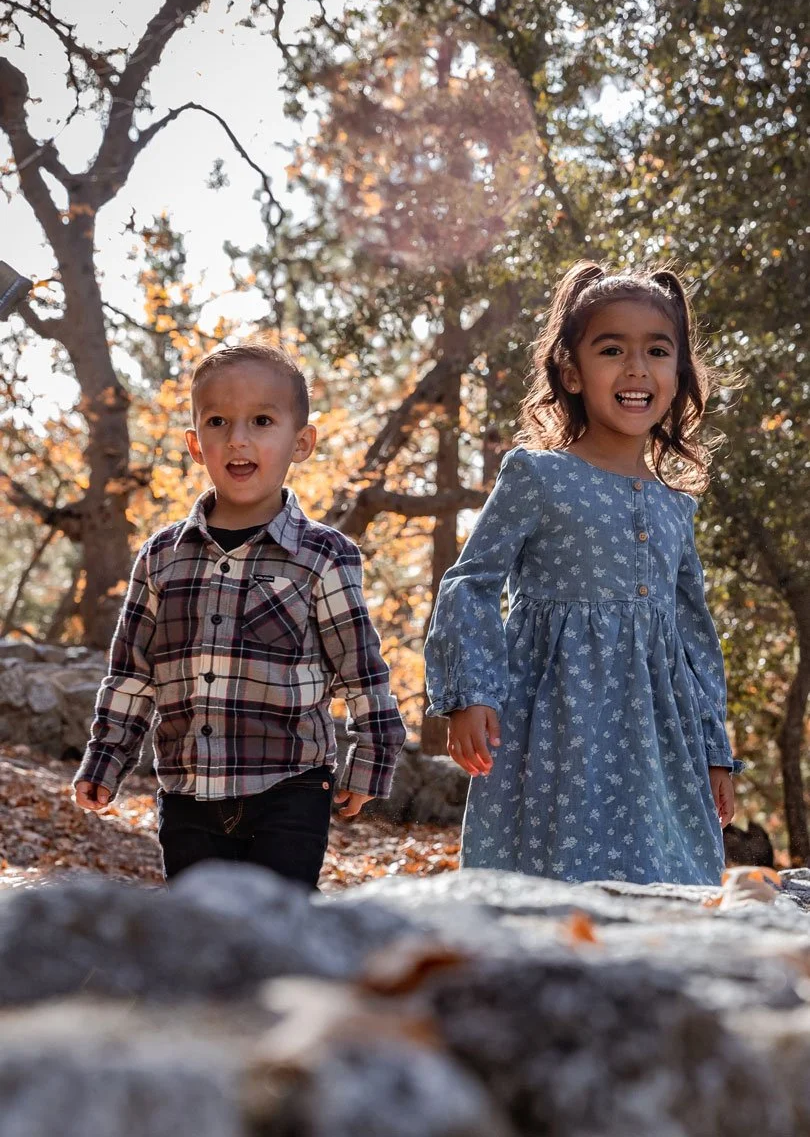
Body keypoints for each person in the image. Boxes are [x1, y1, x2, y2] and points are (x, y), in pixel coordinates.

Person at [424, 261, 742, 885]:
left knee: (663, 879)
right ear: (571, 371)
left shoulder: (676, 506)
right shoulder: (538, 476)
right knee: (550, 881)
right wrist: (471, 693)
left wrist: (714, 750)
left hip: (659, 743)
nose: (637, 369)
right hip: (554, 731)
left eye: (657, 351)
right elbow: (472, 581)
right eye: (612, 350)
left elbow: (693, 638)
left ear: (679, 373)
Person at [73, 342, 406, 886]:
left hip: (291, 787)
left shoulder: (324, 556)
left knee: (276, 923)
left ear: (301, 443)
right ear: (195, 444)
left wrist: (371, 760)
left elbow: (361, 671)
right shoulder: (161, 557)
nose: (238, 439)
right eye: (218, 422)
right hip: (187, 793)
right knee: (203, 927)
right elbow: (132, 674)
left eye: (262, 421)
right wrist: (106, 758)